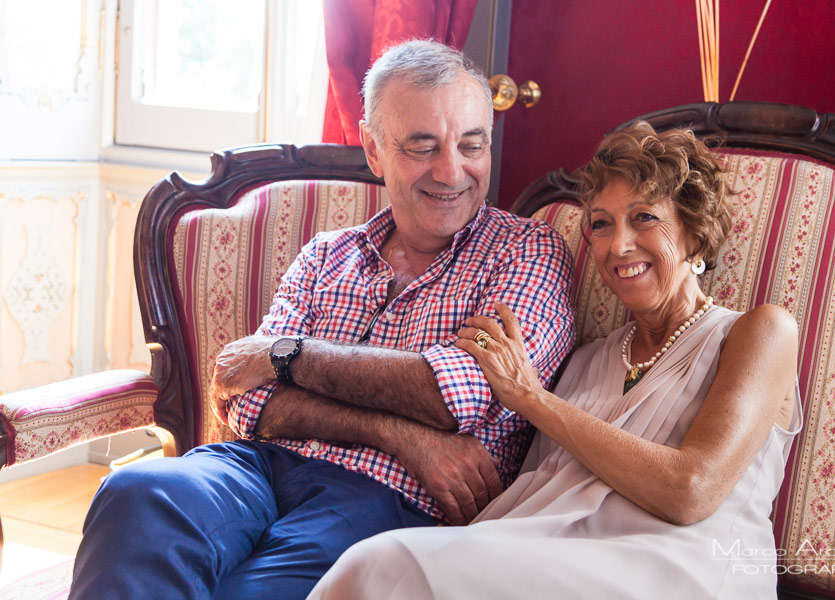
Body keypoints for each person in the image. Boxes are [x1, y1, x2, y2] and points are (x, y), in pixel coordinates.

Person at [69, 40, 575, 599]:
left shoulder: (528, 252)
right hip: (257, 465)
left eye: (471, 145)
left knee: (245, 591)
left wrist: (286, 355)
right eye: (423, 146)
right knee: (139, 492)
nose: (452, 170)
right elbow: (246, 399)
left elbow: (453, 394)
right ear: (374, 150)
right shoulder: (326, 253)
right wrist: (401, 434)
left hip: (389, 501)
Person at [309, 122, 803, 600]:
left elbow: (691, 489)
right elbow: (535, 495)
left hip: (686, 570)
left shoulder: (759, 331)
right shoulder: (587, 360)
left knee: (379, 565)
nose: (618, 245)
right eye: (602, 225)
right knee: (379, 561)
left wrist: (529, 397)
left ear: (694, 231)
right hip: (554, 559)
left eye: (644, 218)